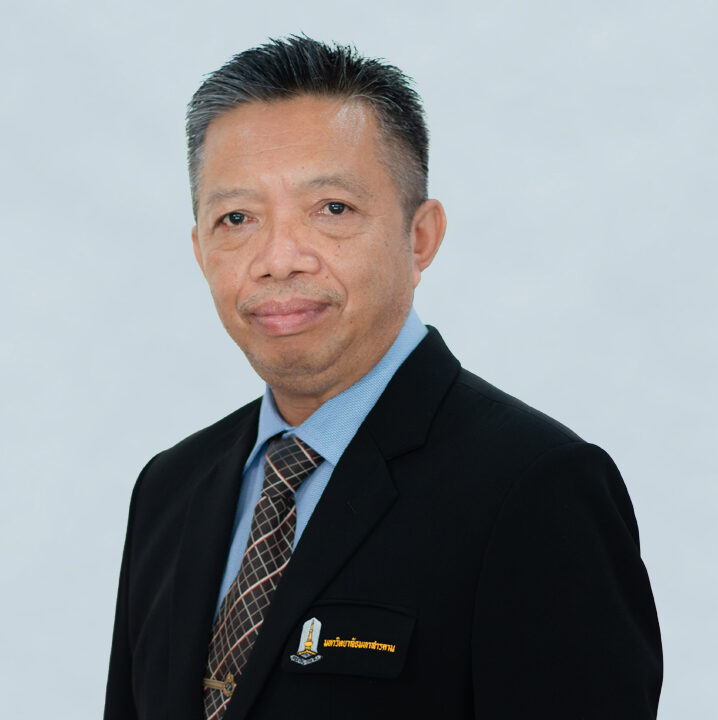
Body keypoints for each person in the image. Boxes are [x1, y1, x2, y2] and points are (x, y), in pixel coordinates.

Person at [104, 36, 662, 720]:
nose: (278, 258)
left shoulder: (536, 490)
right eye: (236, 218)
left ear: (420, 236)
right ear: (200, 249)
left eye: (332, 209)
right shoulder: (170, 488)